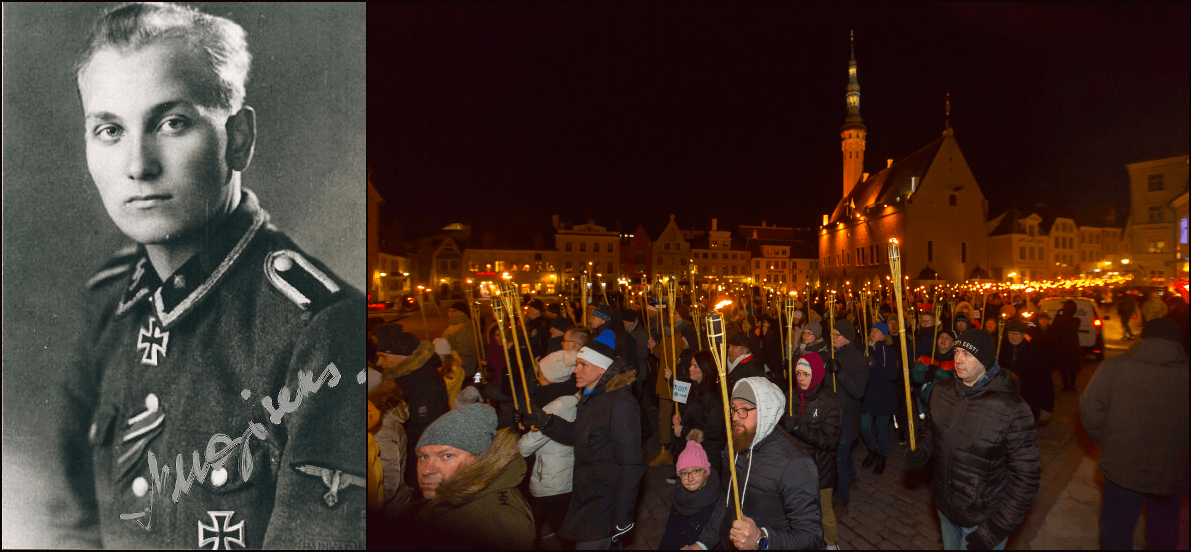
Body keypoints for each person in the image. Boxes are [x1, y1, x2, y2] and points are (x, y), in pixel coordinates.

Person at [51, 3, 367, 548]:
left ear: (238, 137)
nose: (137, 164)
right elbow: (73, 524)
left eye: (171, 123)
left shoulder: (323, 330)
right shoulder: (108, 302)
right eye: (109, 129)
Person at [906, 329, 1040, 550]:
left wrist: (996, 529)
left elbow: (1026, 479)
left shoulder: (1013, 409)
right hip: (946, 511)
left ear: (985, 360)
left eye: (967, 354)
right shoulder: (941, 391)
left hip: (982, 521)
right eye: (957, 351)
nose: (958, 359)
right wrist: (921, 451)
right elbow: (931, 430)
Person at [520, 341, 644, 549]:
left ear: (602, 369)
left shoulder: (620, 403)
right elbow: (579, 435)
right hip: (587, 495)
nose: (575, 370)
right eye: (576, 364)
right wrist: (545, 421)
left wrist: (623, 517)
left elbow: (631, 465)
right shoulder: (592, 397)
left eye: (583, 365)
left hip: (605, 503)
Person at [1081, 318, 1189, 550]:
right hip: (1173, 470)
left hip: (1122, 467)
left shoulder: (1114, 367)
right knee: (1164, 531)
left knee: (1116, 530)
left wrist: (1104, 440)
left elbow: (1090, 408)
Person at [685, 377, 823, 550]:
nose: (735, 417)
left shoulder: (796, 464)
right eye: (733, 409)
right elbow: (726, 501)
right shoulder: (734, 443)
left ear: (766, 410)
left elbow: (812, 537)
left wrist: (761, 540)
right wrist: (703, 543)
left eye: (744, 410)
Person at [412, 403, 535, 549]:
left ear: (479, 458)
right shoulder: (460, 497)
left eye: (447, 455)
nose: (426, 471)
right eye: (423, 457)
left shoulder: (495, 521)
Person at [376, 325, 450, 488]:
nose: (379, 363)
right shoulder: (404, 375)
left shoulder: (424, 380)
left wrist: (413, 466)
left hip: (421, 455)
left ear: (401, 356)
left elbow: (423, 427)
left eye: (383, 356)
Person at [782, 353, 842, 550]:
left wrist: (800, 428)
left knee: (824, 511)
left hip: (820, 467)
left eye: (806, 374)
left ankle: (832, 544)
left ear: (816, 375)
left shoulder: (829, 403)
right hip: (794, 465)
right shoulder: (791, 396)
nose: (800, 378)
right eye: (798, 373)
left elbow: (830, 441)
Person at [519, 349, 580, 544]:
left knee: (560, 531)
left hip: (552, 480)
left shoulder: (556, 405)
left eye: (541, 374)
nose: (538, 378)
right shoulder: (568, 394)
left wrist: (516, 440)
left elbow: (526, 446)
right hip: (556, 475)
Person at [828, 318, 870, 505]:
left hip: (847, 418)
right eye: (832, 334)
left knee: (838, 458)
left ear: (847, 338)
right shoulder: (831, 354)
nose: (833, 337)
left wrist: (840, 373)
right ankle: (852, 475)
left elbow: (858, 391)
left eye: (837, 335)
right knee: (841, 455)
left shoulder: (859, 359)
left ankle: (841, 498)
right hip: (831, 415)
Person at [659, 441, 721, 550]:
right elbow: (671, 532)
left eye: (696, 471)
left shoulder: (717, 502)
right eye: (684, 473)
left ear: (706, 472)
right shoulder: (678, 495)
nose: (690, 479)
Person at [672, 350, 727, 469]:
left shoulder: (711, 395)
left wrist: (684, 430)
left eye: (695, 366)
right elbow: (697, 416)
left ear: (705, 369)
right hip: (696, 451)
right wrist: (682, 419)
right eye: (691, 365)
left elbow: (713, 430)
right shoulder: (695, 388)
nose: (690, 369)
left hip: (706, 456)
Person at [859, 322, 899, 476]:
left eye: (877, 330)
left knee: (882, 430)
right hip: (868, 395)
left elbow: (893, 374)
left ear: (883, 334)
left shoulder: (887, 350)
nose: (873, 332)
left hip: (884, 395)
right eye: (872, 330)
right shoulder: (865, 350)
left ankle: (882, 456)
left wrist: (875, 366)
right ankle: (872, 450)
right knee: (865, 427)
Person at [998, 320, 1053, 422]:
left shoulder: (1034, 351)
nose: (1013, 337)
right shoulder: (1001, 349)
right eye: (1010, 333)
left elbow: (1045, 379)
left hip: (1028, 396)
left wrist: (1046, 406)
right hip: (1006, 396)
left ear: (1023, 334)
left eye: (1016, 334)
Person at [911, 329, 956, 414]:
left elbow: (953, 382)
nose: (943, 340)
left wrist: (936, 371)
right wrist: (925, 377)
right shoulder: (928, 356)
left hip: (945, 404)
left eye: (947, 338)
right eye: (941, 337)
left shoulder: (955, 361)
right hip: (926, 403)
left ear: (953, 343)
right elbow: (914, 375)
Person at [1048, 300, 1082, 392]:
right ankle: (1069, 386)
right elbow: (1054, 328)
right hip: (1066, 346)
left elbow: (1056, 328)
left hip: (1066, 346)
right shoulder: (1071, 320)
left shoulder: (1074, 320)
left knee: (1068, 367)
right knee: (1067, 367)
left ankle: (1069, 386)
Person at [441, 301, 478, 382]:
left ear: (463, 313)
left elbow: (466, 353)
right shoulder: (454, 326)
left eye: (454, 311)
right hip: (452, 366)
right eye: (449, 311)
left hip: (462, 371)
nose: (450, 313)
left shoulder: (465, 328)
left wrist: (450, 365)